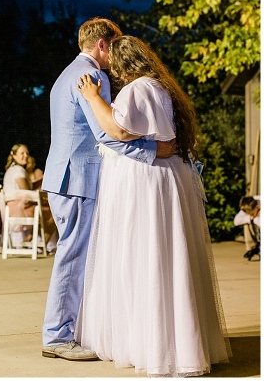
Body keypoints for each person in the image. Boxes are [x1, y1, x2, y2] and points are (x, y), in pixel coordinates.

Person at [76, 35, 230, 376]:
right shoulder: (160, 87)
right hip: (164, 177)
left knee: (145, 257)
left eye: (115, 65)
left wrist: (92, 97)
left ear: (123, 63)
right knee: (167, 257)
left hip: (144, 182)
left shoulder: (136, 89)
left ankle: (155, 347)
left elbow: (118, 129)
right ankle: (173, 343)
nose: (113, 72)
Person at [41, 17, 175, 361]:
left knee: (74, 254)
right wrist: (153, 151)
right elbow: (108, 133)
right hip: (79, 178)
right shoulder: (93, 76)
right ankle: (57, 336)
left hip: (63, 176)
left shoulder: (65, 74)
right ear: (102, 45)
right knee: (73, 256)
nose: (114, 56)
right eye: (112, 47)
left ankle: (70, 330)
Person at [234, 195, 260, 260]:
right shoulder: (249, 205)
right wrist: (250, 218)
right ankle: (252, 247)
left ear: (257, 207)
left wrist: (255, 219)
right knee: (246, 222)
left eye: (252, 213)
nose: (252, 215)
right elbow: (236, 221)